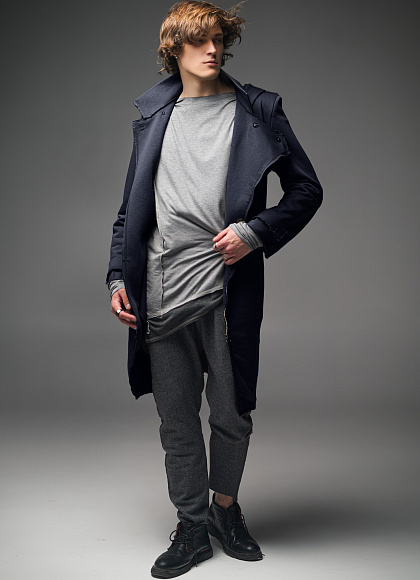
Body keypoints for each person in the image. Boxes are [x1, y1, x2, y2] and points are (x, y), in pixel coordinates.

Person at [106, 1, 322, 577]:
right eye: (200, 40)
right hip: (160, 289)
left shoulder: (258, 110)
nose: (213, 49)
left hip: (227, 290)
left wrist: (254, 233)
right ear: (173, 49)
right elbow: (130, 211)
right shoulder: (154, 114)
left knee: (231, 412)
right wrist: (117, 276)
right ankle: (192, 526)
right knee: (176, 420)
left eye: (219, 39)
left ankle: (225, 510)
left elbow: (306, 190)